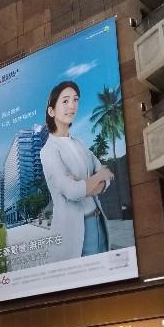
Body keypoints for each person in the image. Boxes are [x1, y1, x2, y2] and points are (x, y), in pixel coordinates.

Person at [40, 81, 114, 261]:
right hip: (78, 232)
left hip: (100, 222)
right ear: (51, 111)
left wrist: (84, 184)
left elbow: (107, 175)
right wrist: (96, 178)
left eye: (75, 100)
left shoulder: (79, 143)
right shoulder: (48, 151)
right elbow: (72, 191)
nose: (72, 106)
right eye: (65, 101)